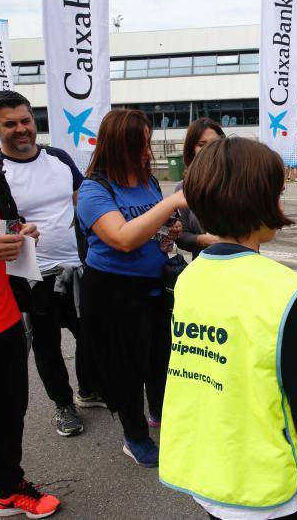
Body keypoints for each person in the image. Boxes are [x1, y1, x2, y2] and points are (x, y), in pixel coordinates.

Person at [160, 137, 297, 520]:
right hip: (266, 486)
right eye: (276, 192)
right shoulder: (285, 291)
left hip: (210, 476)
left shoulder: (190, 277)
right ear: (260, 203)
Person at [0, 77, 60, 518]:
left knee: (8, 417)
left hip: (3, 319)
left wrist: (20, 233)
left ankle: (8, 490)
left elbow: (5, 221)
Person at [77, 109, 186, 468]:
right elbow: (122, 238)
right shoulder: (95, 189)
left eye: (147, 141)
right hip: (112, 292)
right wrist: (171, 204)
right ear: (117, 145)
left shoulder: (148, 181)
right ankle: (134, 436)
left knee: (158, 358)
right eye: (139, 143)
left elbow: (150, 226)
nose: (147, 150)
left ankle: (158, 414)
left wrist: (168, 229)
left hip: (152, 287)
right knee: (125, 367)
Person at [0, 90, 104, 439]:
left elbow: (82, 202)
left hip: (79, 268)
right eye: (9, 124)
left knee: (90, 335)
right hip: (35, 277)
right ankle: (63, 404)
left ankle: (89, 390)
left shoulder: (58, 157)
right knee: (47, 346)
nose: (20, 129)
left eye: (25, 120)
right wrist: (19, 231)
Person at [175, 117, 223, 257]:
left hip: (242, 267)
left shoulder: (240, 180)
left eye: (215, 143)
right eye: (202, 144)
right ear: (191, 149)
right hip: (203, 269)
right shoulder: (184, 188)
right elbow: (181, 237)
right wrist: (201, 240)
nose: (209, 149)